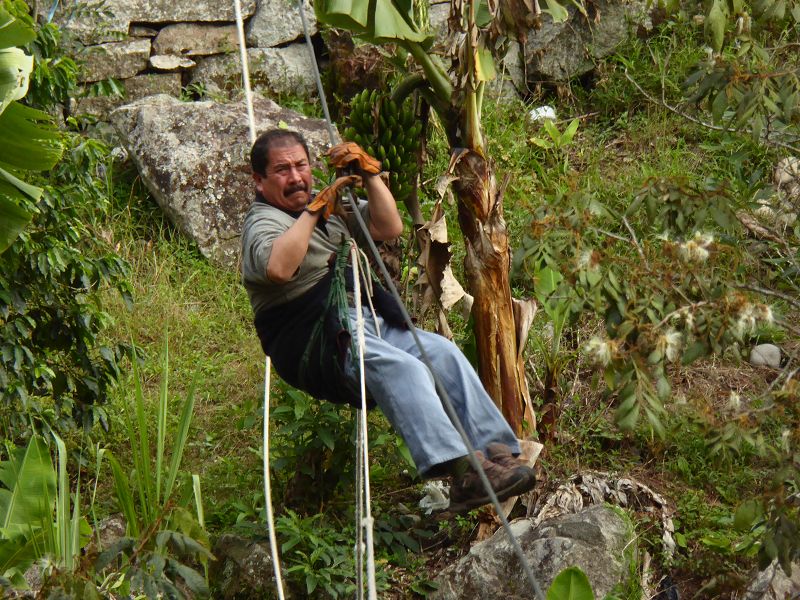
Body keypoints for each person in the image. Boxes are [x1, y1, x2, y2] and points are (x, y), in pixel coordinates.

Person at [241, 129, 535, 512]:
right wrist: (315, 212)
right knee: (404, 369)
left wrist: (370, 177)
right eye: (282, 170)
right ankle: (464, 470)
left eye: (301, 165)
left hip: (364, 317)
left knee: (441, 354)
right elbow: (280, 268)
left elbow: (388, 227)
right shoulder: (262, 222)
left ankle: (497, 454)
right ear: (259, 181)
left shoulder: (326, 208)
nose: (296, 177)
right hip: (319, 340)